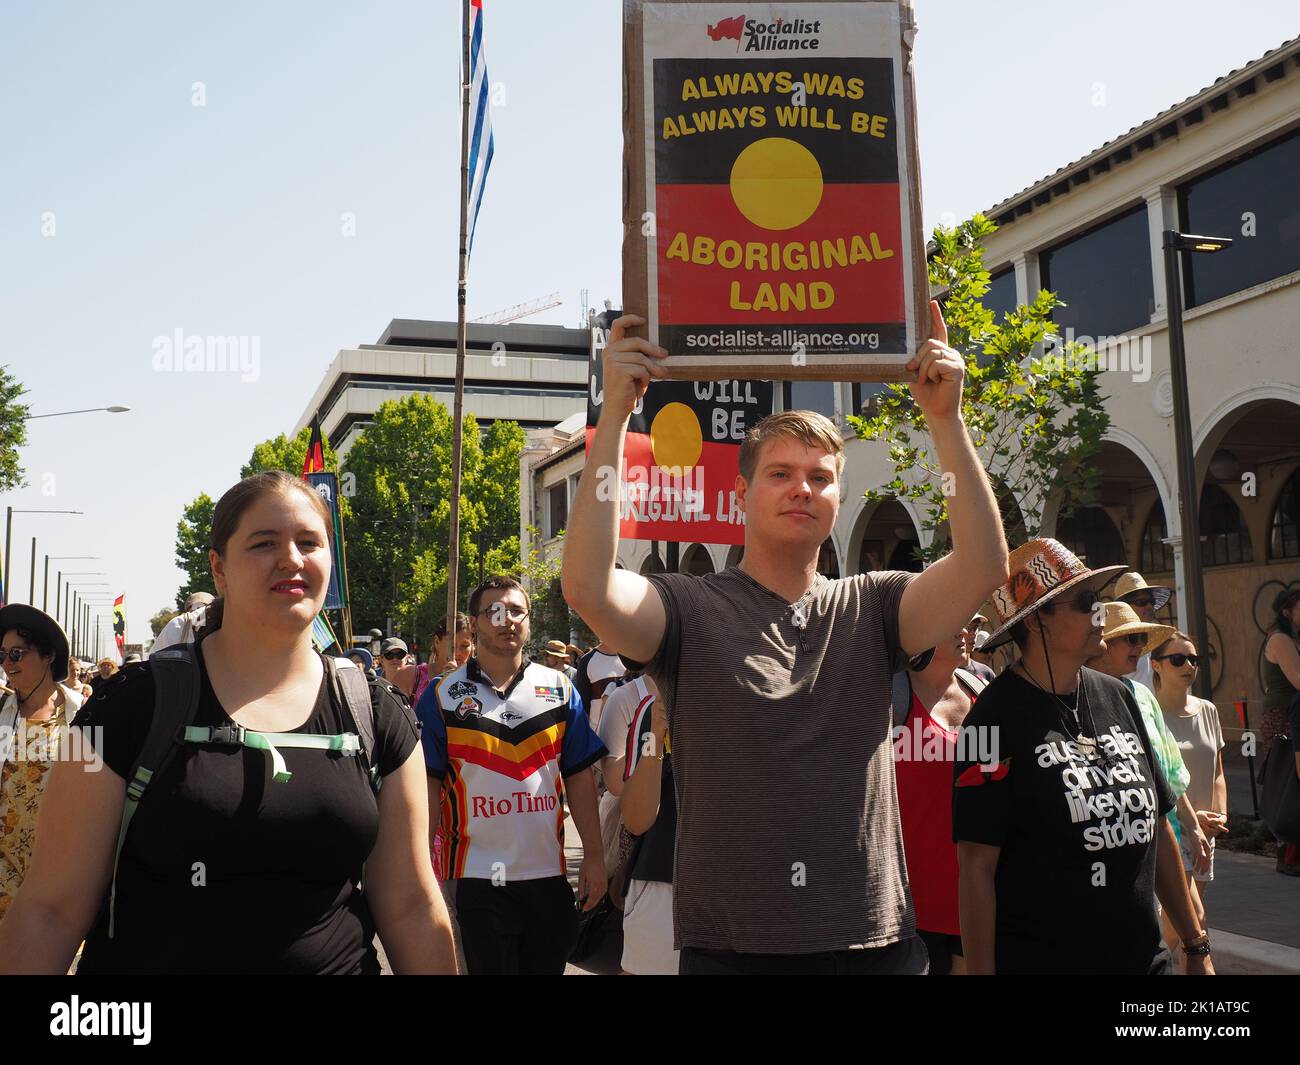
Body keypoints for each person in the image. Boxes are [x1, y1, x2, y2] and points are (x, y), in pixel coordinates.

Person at [563, 304, 1011, 974]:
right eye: (780, 473)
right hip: (732, 952)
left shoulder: (876, 603)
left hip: (872, 943)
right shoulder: (689, 607)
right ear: (741, 493)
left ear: (838, 496)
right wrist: (616, 422)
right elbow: (590, 590)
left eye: (820, 476)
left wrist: (945, 421)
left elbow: (982, 567)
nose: (802, 487)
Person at [0, 471, 456, 974]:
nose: (291, 558)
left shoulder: (377, 714)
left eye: (310, 541)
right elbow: (51, 911)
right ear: (218, 569)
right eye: (264, 543)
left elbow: (412, 906)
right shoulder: (127, 708)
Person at [955, 539, 1214, 975]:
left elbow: (1157, 828)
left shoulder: (1121, 696)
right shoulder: (988, 722)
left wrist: (1195, 944)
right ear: (1037, 622)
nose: (1102, 612)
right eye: (1086, 601)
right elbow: (977, 868)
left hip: (1145, 964)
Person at [416, 574, 608, 975]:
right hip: (474, 878)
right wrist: (420, 873)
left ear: (530, 619)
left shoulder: (558, 688)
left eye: (518, 611)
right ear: (473, 623)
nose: (508, 620)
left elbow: (579, 776)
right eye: (495, 612)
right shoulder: (441, 696)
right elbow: (427, 790)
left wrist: (594, 856)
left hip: (547, 876)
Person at [1086, 601, 1212, 970]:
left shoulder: (1140, 695)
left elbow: (1169, 772)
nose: (1139, 646)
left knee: (1192, 922)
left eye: (1142, 637)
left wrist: (1192, 829)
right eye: (1130, 639)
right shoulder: (1078, 695)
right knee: (1171, 928)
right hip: (1121, 846)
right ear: (1102, 643)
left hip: (1165, 836)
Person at [893, 622, 987, 975]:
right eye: (956, 621)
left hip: (979, 896)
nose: (968, 631)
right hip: (910, 908)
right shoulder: (889, 695)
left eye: (974, 623)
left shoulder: (984, 688)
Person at [0, 605, 84, 921]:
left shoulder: (85, 715)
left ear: (48, 655)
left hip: (57, 874)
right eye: (3, 655)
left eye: (17, 654)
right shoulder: (1, 713)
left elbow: (95, 791)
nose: (7, 664)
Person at [598, 673, 677, 975]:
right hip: (660, 884)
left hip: (741, 890)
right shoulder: (649, 709)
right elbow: (637, 819)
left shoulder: (759, 693)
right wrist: (657, 735)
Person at [1151, 632, 1228, 938]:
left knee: (1180, 930)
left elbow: (1218, 772)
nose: (1189, 666)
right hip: (1173, 830)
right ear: (1156, 665)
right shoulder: (1151, 714)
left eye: (1194, 659)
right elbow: (1160, 778)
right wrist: (1193, 821)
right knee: (1194, 921)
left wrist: (1220, 817)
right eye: (1178, 659)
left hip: (1206, 831)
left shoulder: (1208, 710)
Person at [1263, 586, 1300, 874]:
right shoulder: (1281, 638)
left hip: (1291, 716)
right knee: (1287, 782)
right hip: (1285, 719)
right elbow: (1299, 679)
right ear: (1287, 611)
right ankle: (1288, 854)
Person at [1114, 572, 1173, 693]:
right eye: (1142, 602)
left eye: (1152, 601)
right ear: (1124, 606)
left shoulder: (1160, 639)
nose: (1149, 606)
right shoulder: (1114, 643)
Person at [150, 591, 217, 655]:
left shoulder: (220, 630)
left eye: (201, 609)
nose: (199, 613)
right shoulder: (177, 627)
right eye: (195, 610)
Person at [574, 641, 627, 713]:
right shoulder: (586, 661)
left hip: (631, 722)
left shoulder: (631, 658)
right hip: (596, 723)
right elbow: (583, 705)